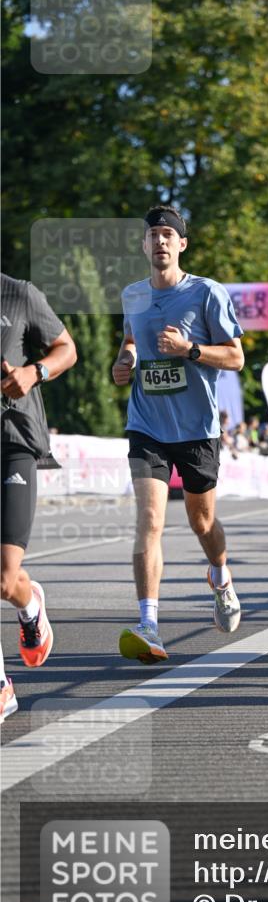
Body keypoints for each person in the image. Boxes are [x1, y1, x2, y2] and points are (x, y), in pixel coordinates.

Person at [112, 204, 244, 664]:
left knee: (201, 522)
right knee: (150, 519)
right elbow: (130, 341)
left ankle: (220, 576)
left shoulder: (207, 293)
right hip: (146, 424)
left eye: (169, 235)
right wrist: (124, 361)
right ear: (144, 245)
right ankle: (148, 624)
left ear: (182, 244)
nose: (161, 241)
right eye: (154, 235)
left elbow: (236, 357)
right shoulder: (132, 295)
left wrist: (190, 349)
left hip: (196, 429)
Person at [1, 273, 77, 721]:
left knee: (4, 579)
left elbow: (67, 349)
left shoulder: (19, 294)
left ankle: (29, 604)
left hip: (14, 442)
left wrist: (34, 372)